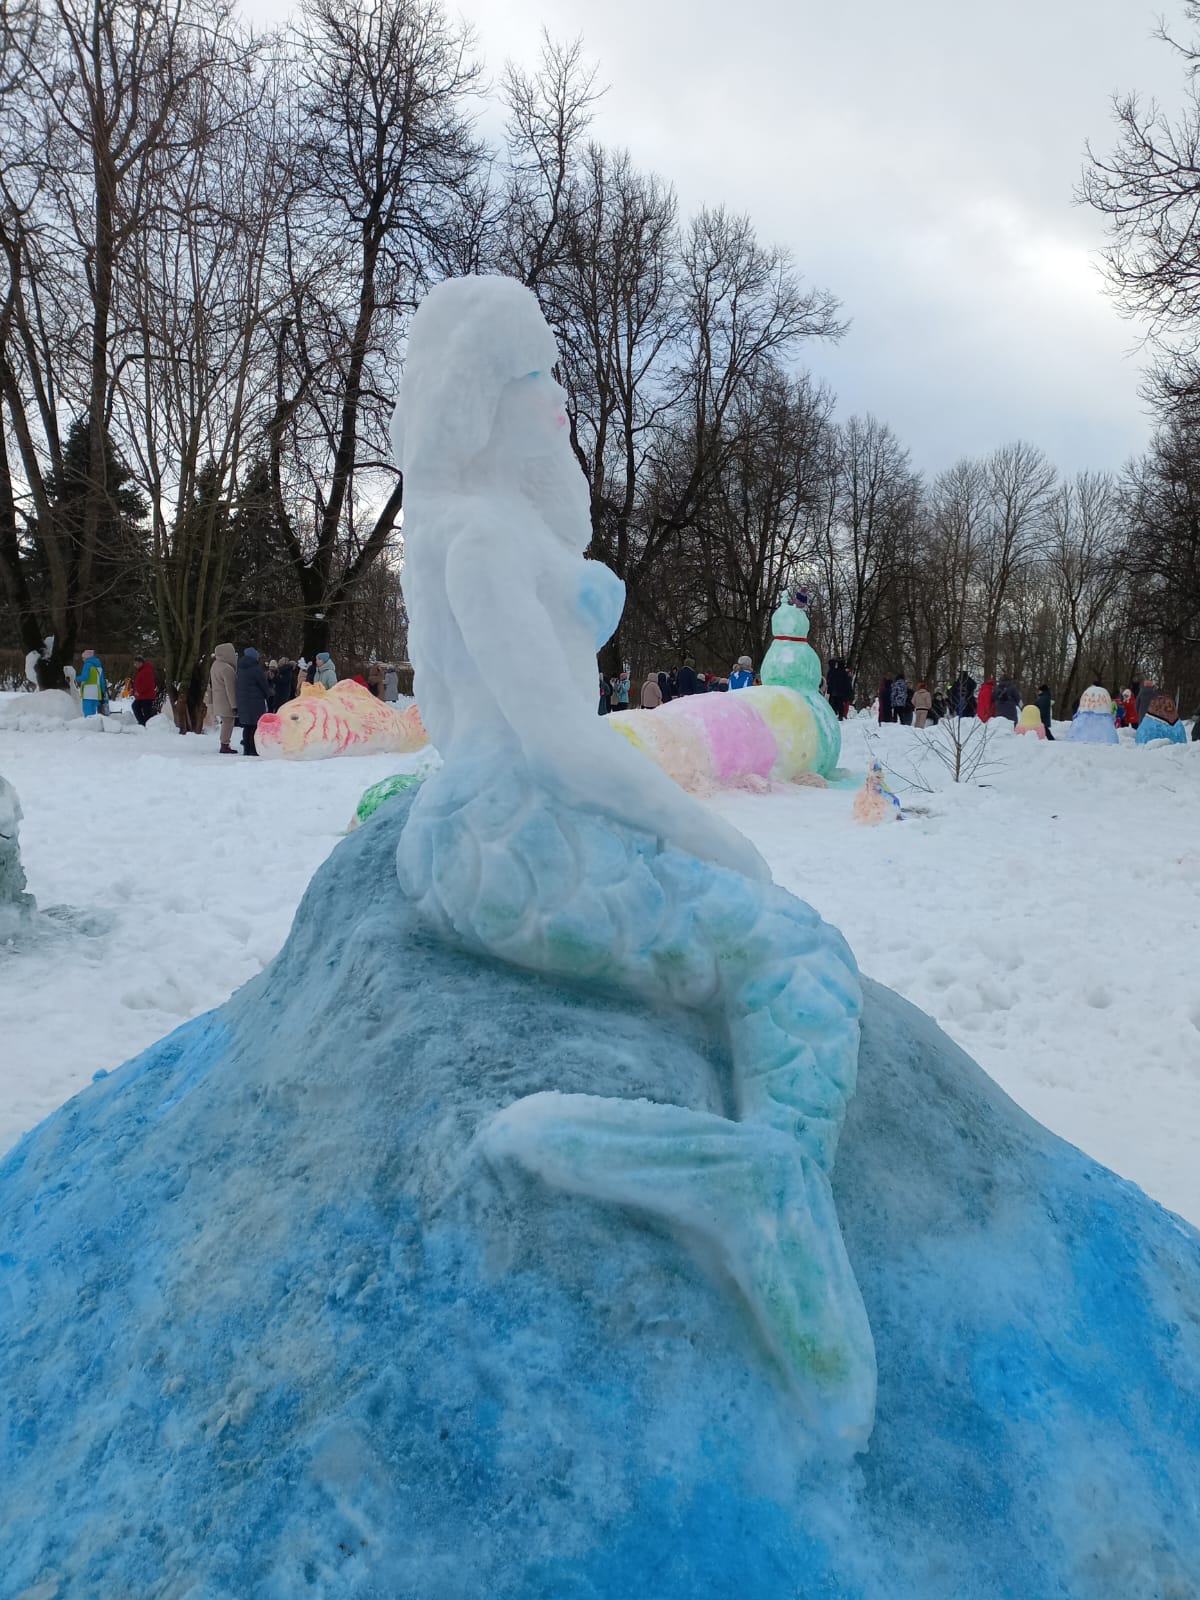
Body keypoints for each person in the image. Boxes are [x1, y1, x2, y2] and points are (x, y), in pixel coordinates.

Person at [236, 646, 270, 756]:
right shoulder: (255, 669)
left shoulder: (240, 668)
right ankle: (254, 749)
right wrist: (268, 694)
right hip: (255, 702)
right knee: (255, 726)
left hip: (243, 701)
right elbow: (263, 684)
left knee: (247, 726)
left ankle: (246, 749)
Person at [209, 642, 238, 753]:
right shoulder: (227, 669)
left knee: (226, 722)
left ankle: (224, 743)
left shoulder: (215, 665)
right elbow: (231, 689)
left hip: (218, 699)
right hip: (226, 701)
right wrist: (234, 705)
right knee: (228, 722)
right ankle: (225, 744)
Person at [77, 649, 107, 717]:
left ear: (87, 658)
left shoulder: (87, 665)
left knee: (87, 712)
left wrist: (75, 679)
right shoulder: (99, 666)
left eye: (83, 658)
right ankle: (93, 722)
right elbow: (102, 680)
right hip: (96, 693)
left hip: (88, 692)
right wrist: (103, 691)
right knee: (93, 712)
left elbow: (85, 677)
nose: (82, 660)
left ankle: (89, 723)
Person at [131, 656, 158, 725]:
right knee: (136, 707)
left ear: (141, 663)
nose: (135, 665)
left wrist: (138, 691)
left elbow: (147, 684)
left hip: (146, 696)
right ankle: (143, 723)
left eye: (136, 663)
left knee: (145, 712)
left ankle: (145, 724)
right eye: (134, 663)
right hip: (143, 696)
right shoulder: (142, 670)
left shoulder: (146, 671)